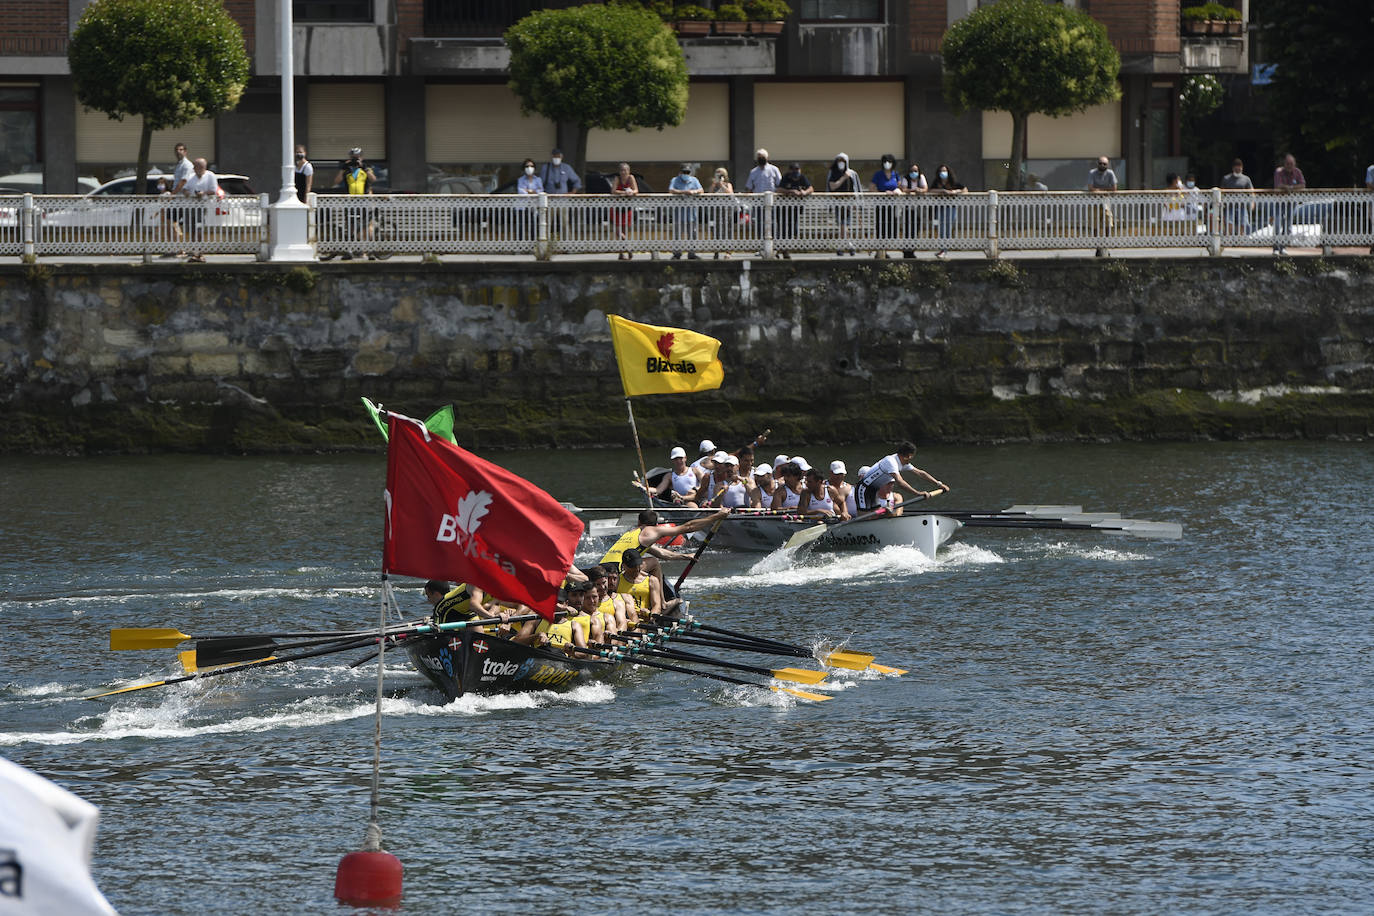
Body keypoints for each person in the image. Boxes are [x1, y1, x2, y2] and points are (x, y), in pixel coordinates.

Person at [855, 441, 948, 512]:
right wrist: (918, 493)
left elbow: (920, 473)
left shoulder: (902, 462)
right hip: (864, 488)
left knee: (876, 514)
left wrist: (939, 484)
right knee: (866, 515)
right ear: (909, 456)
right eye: (912, 456)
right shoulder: (891, 462)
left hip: (874, 491)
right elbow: (900, 482)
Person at [330, 148, 379, 261]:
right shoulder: (347, 169)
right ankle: (350, 251)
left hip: (365, 200)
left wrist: (364, 168)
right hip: (351, 201)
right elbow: (336, 181)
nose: (355, 160)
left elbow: (373, 179)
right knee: (351, 226)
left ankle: (370, 251)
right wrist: (343, 169)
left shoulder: (366, 167)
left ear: (361, 157)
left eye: (357, 157)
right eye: (353, 158)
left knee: (367, 227)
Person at [182, 158, 218, 263]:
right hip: (190, 206)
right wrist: (187, 193)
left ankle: (200, 251)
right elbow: (184, 188)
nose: (198, 169)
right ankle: (194, 251)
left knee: (199, 228)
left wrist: (203, 193)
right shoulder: (191, 176)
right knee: (192, 229)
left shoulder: (210, 175)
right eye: (196, 167)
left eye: (201, 167)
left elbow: (213, 190)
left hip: (203, 206)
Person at [826, 153, 861, 256]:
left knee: (845, 224)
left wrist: (856, 203)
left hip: (849, 202)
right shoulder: (833, 173)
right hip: (838, 202)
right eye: (839, 161)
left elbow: (855, 189)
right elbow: (832, 187)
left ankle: (842, 246)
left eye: (843, 161)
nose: (841, 163)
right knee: (843, 224)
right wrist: (843, 178)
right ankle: (848, 245)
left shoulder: (852, 173)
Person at [776, 162, 812, 258]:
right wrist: (790, 191)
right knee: (783, 230)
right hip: (783, 209)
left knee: (793, 230)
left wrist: (804, 192)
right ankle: (784, 250)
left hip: (796, 209)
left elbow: (811, 188)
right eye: (794, 170)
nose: (796, 172)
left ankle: (782, 249)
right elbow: (779, 189)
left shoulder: (802, 178)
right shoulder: (786, 177)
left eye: (797, 170)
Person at [868, 154, 901, 259]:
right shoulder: (878, 174)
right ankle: (880, 251)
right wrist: (883, 192)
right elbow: (871, 188)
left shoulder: (895, 174)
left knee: (891, 229)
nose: (887, 164)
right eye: (885, 161)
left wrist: (896, 191)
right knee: (881, 228)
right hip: (881, 205)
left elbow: (900, 186)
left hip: (893, 205)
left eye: (889, 161)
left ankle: (885, 248)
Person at [1272, 153, 1306, 255]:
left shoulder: (1297, 172)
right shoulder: (1279, 172)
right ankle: (1276, 248)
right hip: (1279, 202)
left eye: (1291, 164)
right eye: (1287, 163)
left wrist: (1289, 188)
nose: (1289, 165)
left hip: (1292, 203)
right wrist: (1289, 187)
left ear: (1294, 164)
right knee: (1277, 224)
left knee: (1287, 226)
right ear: (1284, 164)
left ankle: (1283, 246)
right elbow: (1278, 186)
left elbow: (1302, 185)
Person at [929, 163, 965, 259]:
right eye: (941, 171)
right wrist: (941, 191)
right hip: (939, 208)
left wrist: (954, 192)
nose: (943, 173)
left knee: (948, 228)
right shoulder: (937, 182)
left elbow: (964, 189)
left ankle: (944, 250)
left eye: (944, 171)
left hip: (950, 208)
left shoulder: (953, 182)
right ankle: (942, 249)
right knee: (941, 229)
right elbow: (930, 190)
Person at [668, 162, 703, 260]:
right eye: (684, 172)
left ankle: (692, 253)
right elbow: (671, 190)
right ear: (680, 172)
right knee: (678, 234)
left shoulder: (694, 180)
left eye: (688, 172)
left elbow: (701, 190)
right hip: (679, 213)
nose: (686, 174)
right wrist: (684, 192)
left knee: (692, 234)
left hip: (691, 213)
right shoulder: (675, 180)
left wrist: (694, 192)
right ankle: (677, 253)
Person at [617, 548, 664, 621]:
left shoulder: (652, 580)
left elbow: (657, 606)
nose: (637, 569)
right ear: (624, 566)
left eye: (638, 565)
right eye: (632, 567)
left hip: (644, 622)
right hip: (624, 621)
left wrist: (650, 616)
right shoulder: (617, 580)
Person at [1087, 155, 1118, 257]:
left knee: (1108, 222)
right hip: (1094, 202)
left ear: (1107, 165)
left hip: (1106, 201)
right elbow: (1091, 188)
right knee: (1095, 224)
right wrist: (1104, 190)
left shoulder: (1110, 173)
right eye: (1100, 163)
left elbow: (1114, 188)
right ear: (1097, 164)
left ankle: (1105, 244)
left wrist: (1099, 190)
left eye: (1104, 164)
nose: (1102, 165)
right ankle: (1098, 246)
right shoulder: (1092, 173)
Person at [898, 162, 927, 258]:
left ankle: (912, 250)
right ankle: (906, 251)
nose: (914, 173)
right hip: (907, 208)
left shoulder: (921, 178)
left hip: (917, 208)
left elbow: (925, 188)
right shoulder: (905, 178)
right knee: (908, 230)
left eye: (915, 171)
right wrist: (914, 191)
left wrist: (921, 190)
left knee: (915, 230)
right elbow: (904, 189)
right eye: (911, 171)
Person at [1220, 158, 1255, 235]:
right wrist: (1222, 202)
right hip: (1229, 205)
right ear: (1233, 168)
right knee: (1229, 222)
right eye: (1236, 167)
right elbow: (1222, 191)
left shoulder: (1246, 179)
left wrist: (1252, 203)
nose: (1238, 168)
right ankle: (1230, 238)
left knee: (1244, 222)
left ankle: (1240, 238)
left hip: (1242, 205)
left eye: (1239, 166)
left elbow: (1251, 191)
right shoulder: (1226, 178)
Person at [611, 162, 638, 260]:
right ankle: (629, 247)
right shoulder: (617, 178)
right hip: (617, 207)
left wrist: (631, 192)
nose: (624, 172)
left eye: (625, 170)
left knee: (624, 230)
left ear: (629, 171)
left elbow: (636, 190)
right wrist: (624, 192)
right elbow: (613, 191)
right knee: (618, 231)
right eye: (622, 170)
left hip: (627, 208)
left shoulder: (631, 178)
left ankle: (621, 253)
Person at [708, 167, 736, 260]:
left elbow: (730, 193)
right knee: (716, 230)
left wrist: (722, 185)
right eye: (718, 174)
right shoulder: (714, 184)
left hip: (726, 210)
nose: (719, 176)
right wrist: (715, 183)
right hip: (716, 210)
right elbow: (710, 193)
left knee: (727, 230)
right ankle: (716, 251)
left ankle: (728, 251)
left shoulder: (728, 184)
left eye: (721, 175)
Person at [515, 157, 543, 241]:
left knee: (533, 225)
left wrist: (529, 191)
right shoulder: (520, 179)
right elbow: (521, 191)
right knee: (521, 225)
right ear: (524, 169)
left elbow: (540, 191)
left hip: (534, 206)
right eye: (527, 166)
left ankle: (533, 243)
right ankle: (520, 244)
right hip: (522, 206)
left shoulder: (538, 179)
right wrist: (532, 192)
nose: (529, 168)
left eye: (531, 166)